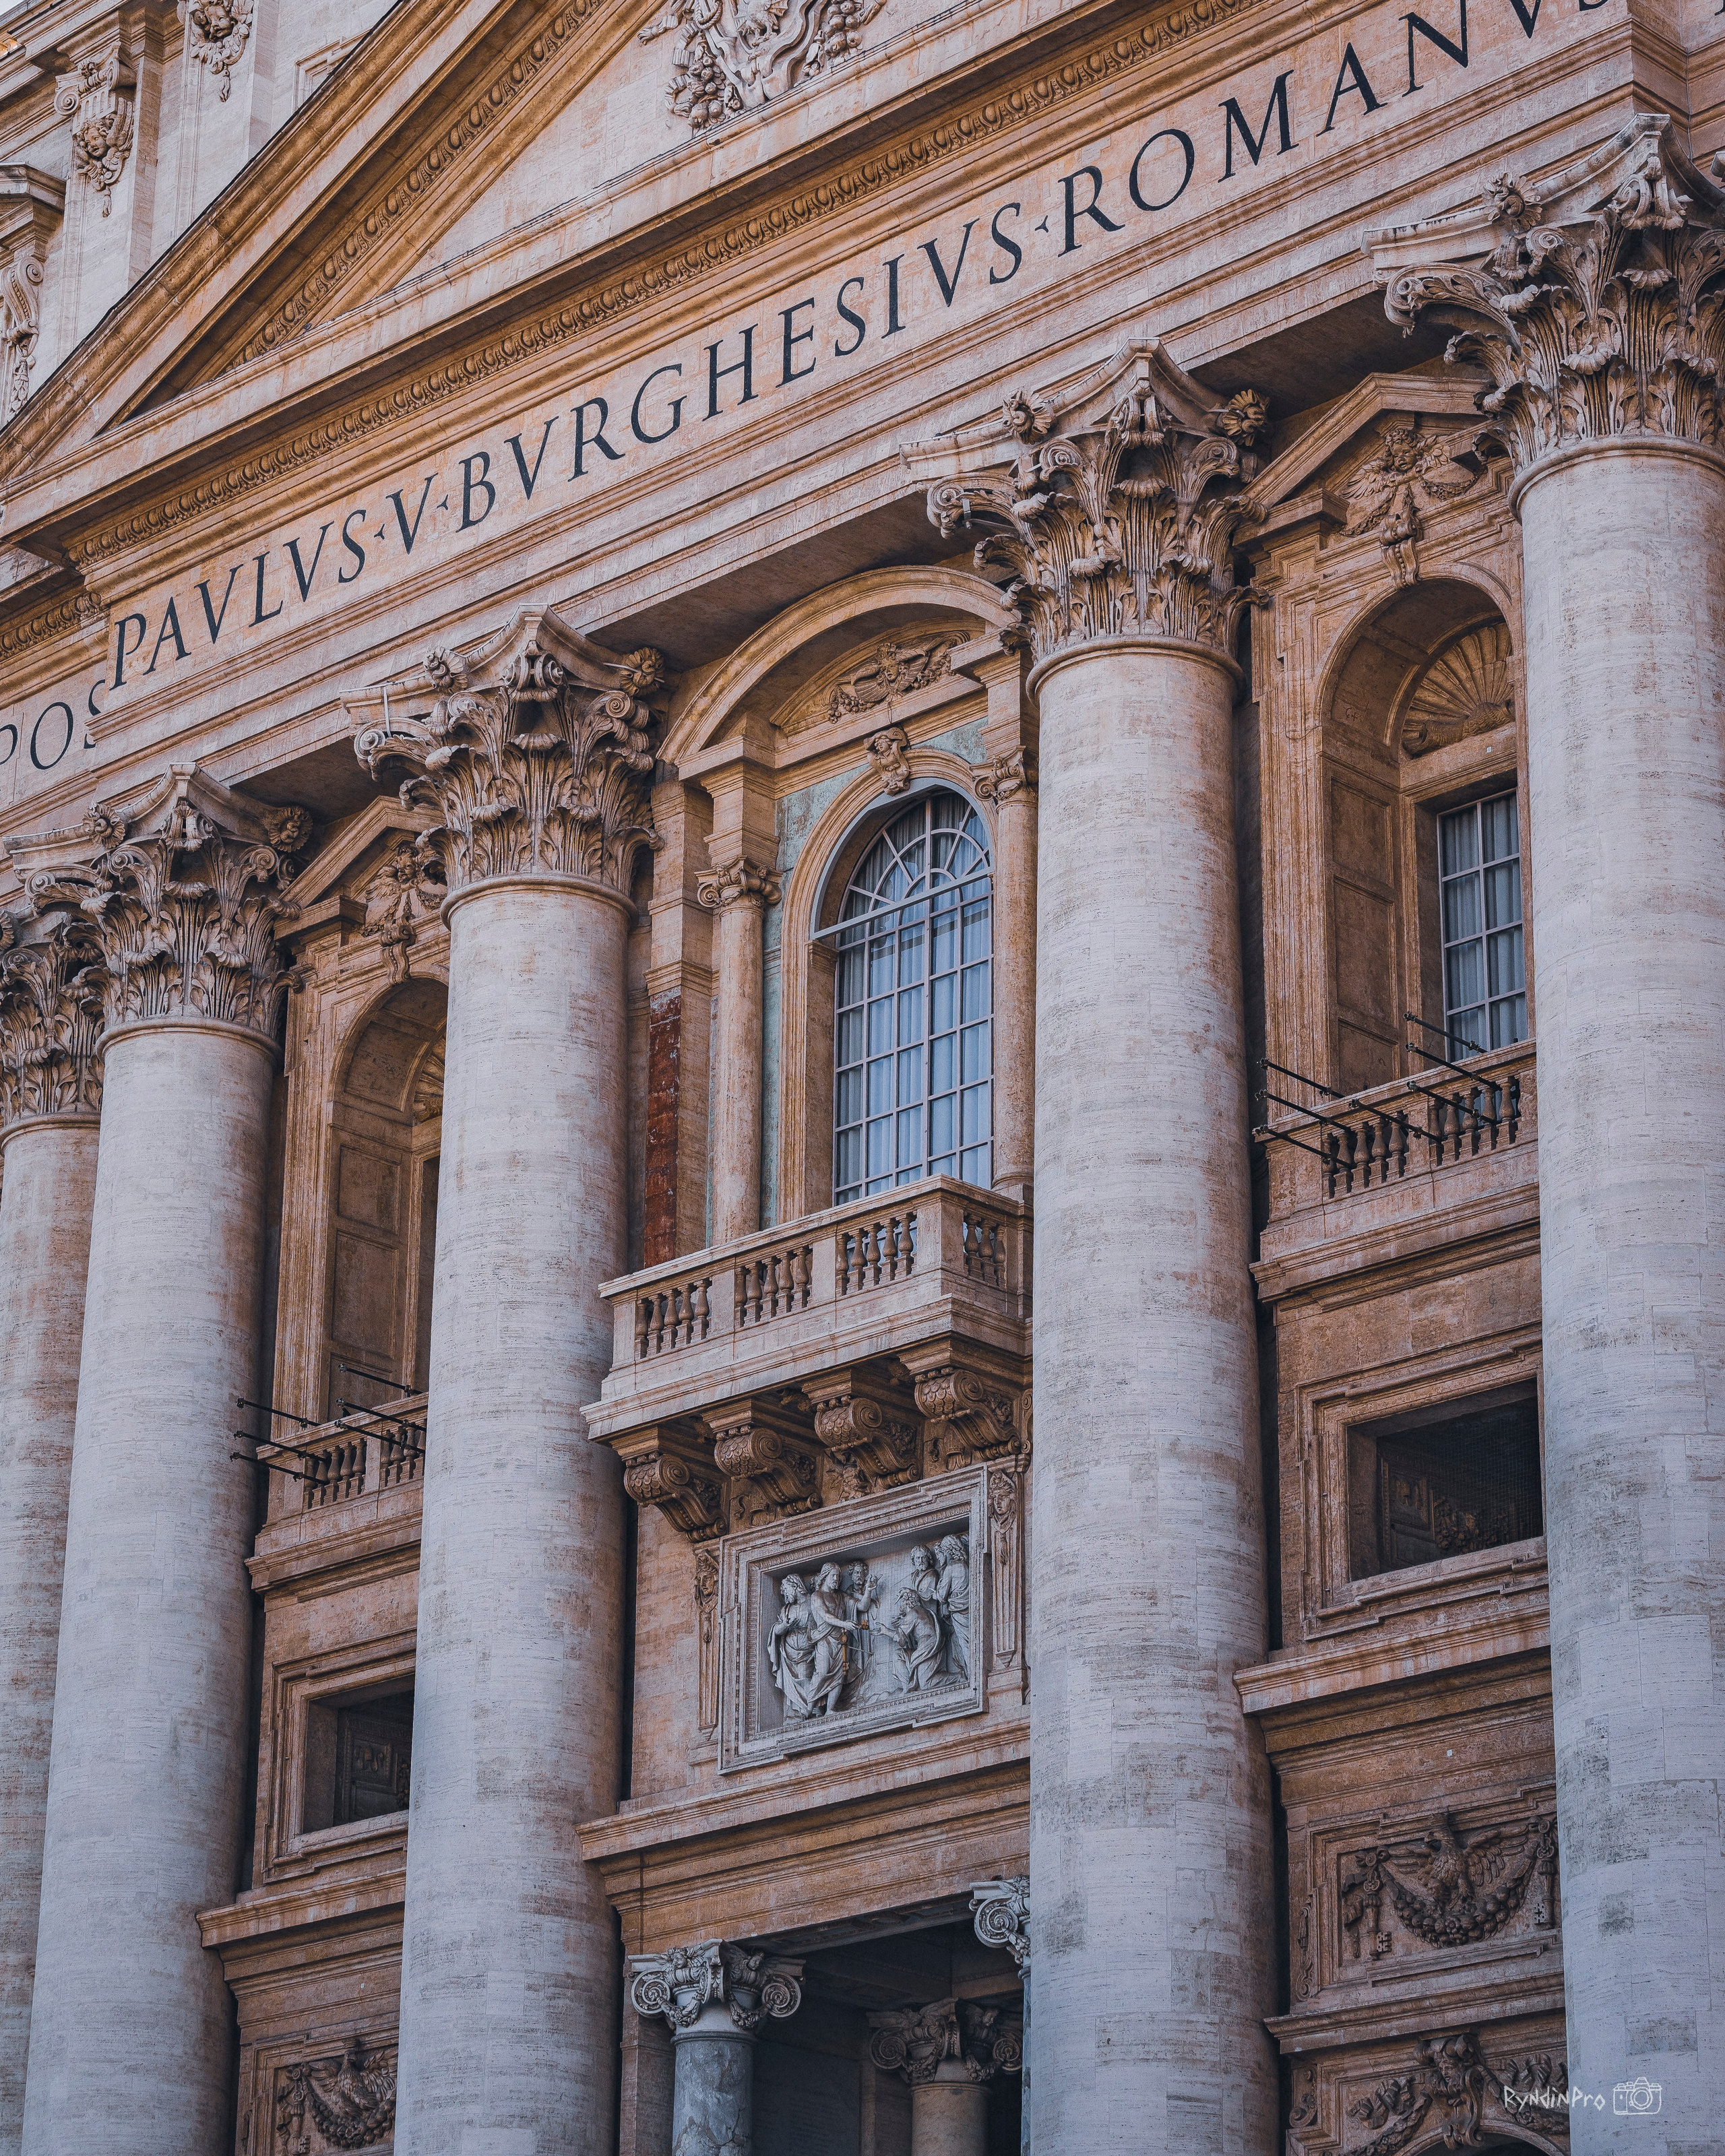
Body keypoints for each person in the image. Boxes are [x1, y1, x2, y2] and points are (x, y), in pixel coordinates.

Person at [765, 1573, 820, 1719]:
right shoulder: (786, 1609)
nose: (785, 1596)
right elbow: (777, 1630)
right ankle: (800, 1712)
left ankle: (816, 1710)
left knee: (805, 1678)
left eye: (787, 1590)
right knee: (797, 1682)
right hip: (789, 1653)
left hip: (808, 1648)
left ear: (795, 1586)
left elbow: (821, 1624)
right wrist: (785, 1625)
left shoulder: (812, 1602)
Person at [883, 1582, 943, 1692]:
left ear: (907, 1602)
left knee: (926, 1684)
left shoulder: (913, 1612)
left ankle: (959, 1677)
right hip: (925, 1645)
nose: (901, 1605)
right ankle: (908, 1687)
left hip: (927, 1646)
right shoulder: (921, 1612)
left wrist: (885, 1630)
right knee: (898, 1654)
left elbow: (900, 1639)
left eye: (902, 1601)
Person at [933, 1534, 972, 1681]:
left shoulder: (951, 1568)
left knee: (964, 1643)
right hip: (967, 1608)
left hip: (957, 1611)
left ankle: (971, 1674)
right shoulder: (966, 1565)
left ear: (949, 1550)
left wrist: (936, 1594)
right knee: (969, 1641)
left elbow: (942, 1596)